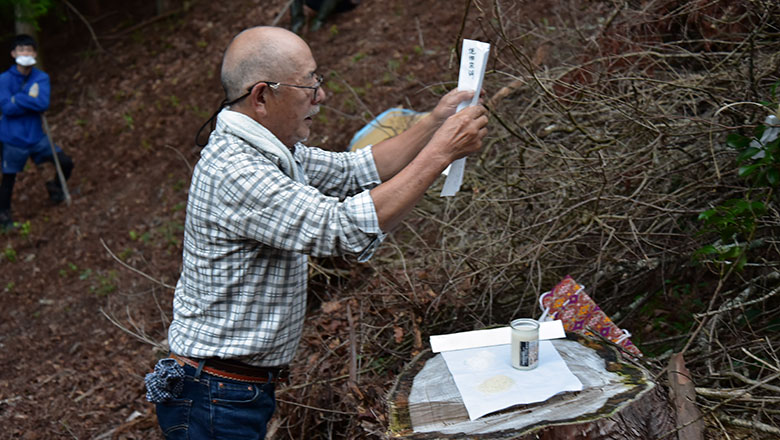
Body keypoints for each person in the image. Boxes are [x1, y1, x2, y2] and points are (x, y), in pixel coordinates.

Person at [145, 26, 487, 439]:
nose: (320, 95)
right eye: (309, 84)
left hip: (227, 389)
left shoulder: (271, 149)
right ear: (261, 96)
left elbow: (355, 170)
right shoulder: (237, 171)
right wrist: (441, 153)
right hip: (213, 396)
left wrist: (434, 123)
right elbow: (342, 229)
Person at [0, 34, 74, 230]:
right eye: (21, 50)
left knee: (65, 162)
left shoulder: (41, 77)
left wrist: (18, 99)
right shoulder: (4, 79)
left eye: (29, 50)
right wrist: (28, 98)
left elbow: (43, 103)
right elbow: (6, 108)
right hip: (12, 138)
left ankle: (55, 188)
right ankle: (4, 216)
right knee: (9, 178)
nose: (25, 53)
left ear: (34, 53)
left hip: (36, 136)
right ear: (13, 53)